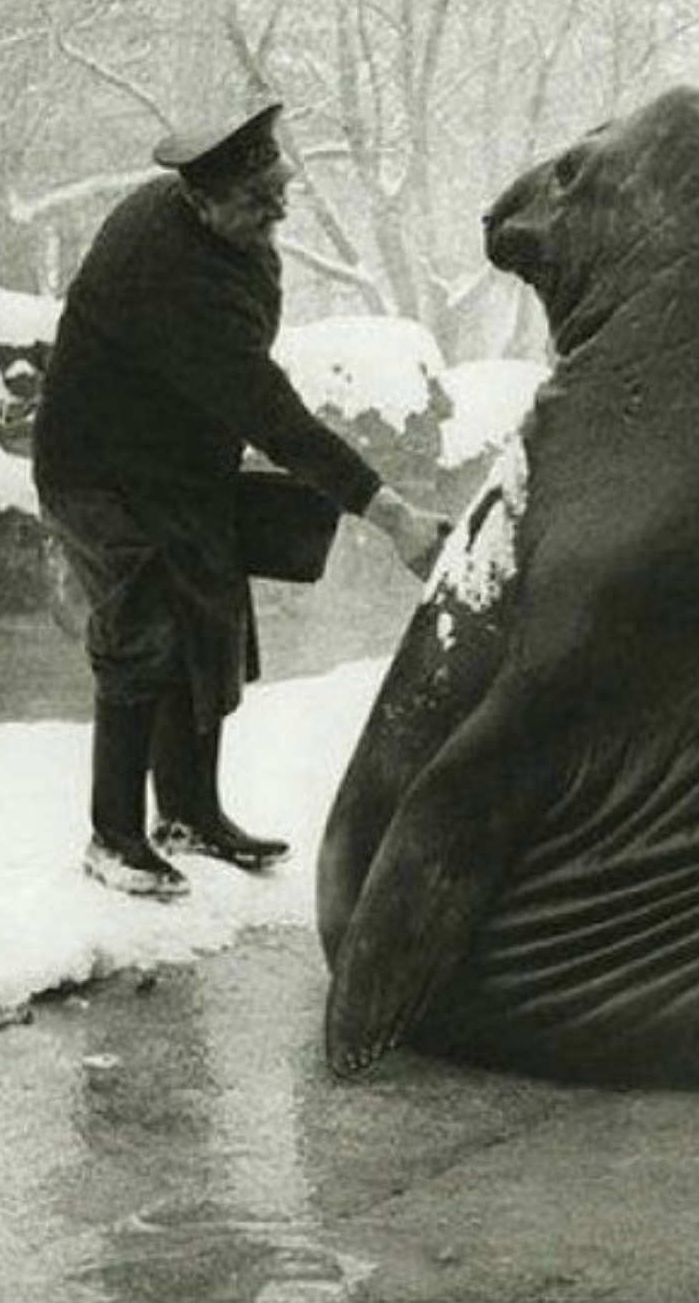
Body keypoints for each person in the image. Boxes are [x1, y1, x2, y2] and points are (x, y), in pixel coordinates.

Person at [32, 101, 451, 900]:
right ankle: (113, 837)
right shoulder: (171, 270)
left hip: (179, 464)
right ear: (199, 199)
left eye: (279, 186)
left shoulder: (220, 231)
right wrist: (390, 512)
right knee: (143, 628)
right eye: (258, 201)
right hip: (98, 473)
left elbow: (239, 373)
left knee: (210, 614)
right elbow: (272, 412)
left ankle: (190, 814)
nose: (279, 209)